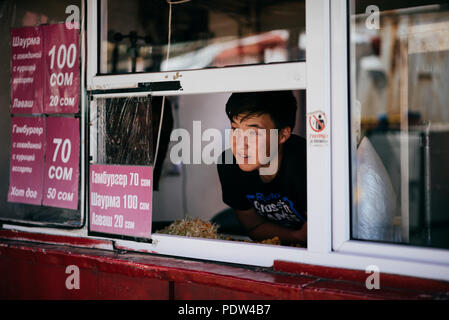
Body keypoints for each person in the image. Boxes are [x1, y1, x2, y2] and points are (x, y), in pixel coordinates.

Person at [217, 91, 307, 246]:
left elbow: (321, 234)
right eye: (235, 129)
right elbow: (253, 226)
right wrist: (296, 236)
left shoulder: (307, 164)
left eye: (253, 133)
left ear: (282, 135)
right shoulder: (229, 164)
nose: (240, 144)